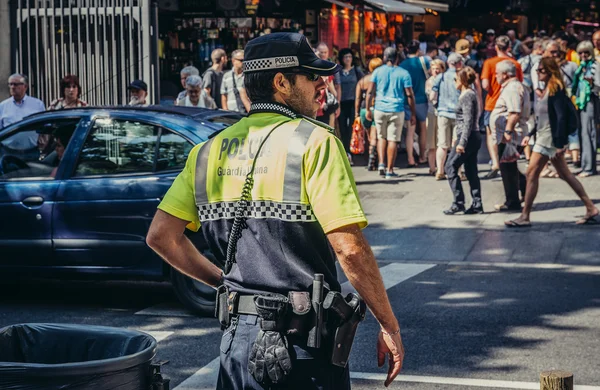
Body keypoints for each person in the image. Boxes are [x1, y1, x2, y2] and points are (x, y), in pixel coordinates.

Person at [146, 32, 405, 390]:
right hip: (302, 349)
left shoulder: (206, 152)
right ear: (281, 82)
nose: (320, 83)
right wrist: (388, 325)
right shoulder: (316, 142)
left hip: (237, 344)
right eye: (311, 75)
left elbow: (161, 236)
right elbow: (348, 247)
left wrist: (222, 282)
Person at [506, 58, 599, 227]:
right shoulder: (546, 89)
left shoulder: (556, 90)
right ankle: (590, 207)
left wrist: (560, 143)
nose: (537, 73)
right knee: (565, 174)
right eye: (537, 70)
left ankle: (525, 216)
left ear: (550, 71)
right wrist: (532, 133)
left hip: (549, 138)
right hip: (544, 134)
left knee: (531, 173)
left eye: (541, 70)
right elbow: (543, 116)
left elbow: (561, 118)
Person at [366, 47, 417, 179]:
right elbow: (409, 95)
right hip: (396, 109)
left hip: (379, 108)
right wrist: (413, 113)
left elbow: (370, 91)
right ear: (397, 58)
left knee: (381, 137)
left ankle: (381, 164)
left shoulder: (377, 72)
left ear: (384, 57)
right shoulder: (403, 73)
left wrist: (367, 108)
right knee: (393, 139)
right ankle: (389, 170)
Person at [481, 35, 524, 179]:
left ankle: (495, 163)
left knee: (491, 134)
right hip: (510, 103)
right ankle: (505, 159)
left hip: (492, 102)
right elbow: (520, 82)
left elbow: (485, 85)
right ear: (509, 47)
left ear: (496, 47)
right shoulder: (514, 64)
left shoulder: (489, 63)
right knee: (507, 133)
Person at [490, 60, 530, 212]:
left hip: (511, 134)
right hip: (509, 133)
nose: (496, 76)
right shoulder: (511, 87)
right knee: (509, 166)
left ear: (505, 74)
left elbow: (514, 112)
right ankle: (522, 188)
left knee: (507, 167)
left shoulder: (513, 88)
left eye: (497, 73)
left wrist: (507, 131)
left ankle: (512, 201)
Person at [443, 67, 483, 215]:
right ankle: (476, 203)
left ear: (463, 81)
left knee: (450, 166)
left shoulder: (467, 96)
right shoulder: (468, 94)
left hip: (468, 136)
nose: (454, 82)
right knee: (471, 170)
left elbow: (468, 121)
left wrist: (462, 142)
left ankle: (459, 201)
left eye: (456, 79)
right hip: (470, 135)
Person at [431, 53, 464, 180]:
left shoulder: (441, 76)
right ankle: (458, 172)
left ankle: (440, 171)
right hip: (458, 114)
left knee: (442, 144)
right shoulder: (461, 76)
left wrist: (437, 105)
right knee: (457, 144)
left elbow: (432, 95)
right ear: (459, 63)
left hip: (443, 112)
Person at [0, 73, 46, 160]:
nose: (13, 87)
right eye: (11, 84)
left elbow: (43, 127)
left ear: (25, 86)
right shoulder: (3, 106)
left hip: (31, 152)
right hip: (8, 152)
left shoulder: (37, 104)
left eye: (16, 84)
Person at [400, 40, 430, 168]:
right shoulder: (424, 61)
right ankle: (423, 156)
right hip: (422, 99)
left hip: (407, 100)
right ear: (418, 49)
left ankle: (410, 158)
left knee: (410, 131)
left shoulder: (402, 64)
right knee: (423, 128)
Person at [572, 41, 600, 177]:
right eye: (581, 53)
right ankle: (585, 165)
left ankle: (589, 167)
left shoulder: (595, 66)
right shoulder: (581, 67)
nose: (583, 55)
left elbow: (598, 86)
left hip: (591, 100)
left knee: (589, 133)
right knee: (583, 133)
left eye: (586, 52)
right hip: (581, 101)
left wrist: (592, 83)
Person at [356, 57, 383, 171]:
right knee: (374, 137)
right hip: (375, 109)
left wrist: (356, 113)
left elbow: (357, 98)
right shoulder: (380, 79)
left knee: (368, 137)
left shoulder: (362, 80)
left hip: (363, 110)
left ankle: (369, 158)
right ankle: (373, 162)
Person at [338, 48, 365, 164]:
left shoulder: (357, 71)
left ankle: (351, 151)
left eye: (349, 57)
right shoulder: (338, 71)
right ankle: (345, 151)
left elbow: (364, 82)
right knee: (342, 127)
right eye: (345, 57)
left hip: (354, 102)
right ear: (341, 59)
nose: (348, 59)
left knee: (351, 127)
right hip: (342, 102)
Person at [425, 59, 446, 176]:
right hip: (432, 113)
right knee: (431, 143)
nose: (436, 71)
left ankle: (440, 168)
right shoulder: (429, 81)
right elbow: (431, 97)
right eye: (433, 69)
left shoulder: (445, 80)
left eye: (438, 68)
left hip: (442, 113)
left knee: (442, 142)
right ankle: (432, 168)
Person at [220, 49, 251, 114]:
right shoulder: (226, 76)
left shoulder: (248, 75)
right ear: (233, 61)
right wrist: (226, 112)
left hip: (246, 113)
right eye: (241, 60)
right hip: (231, 115)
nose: (244, 63)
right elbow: (224, 96)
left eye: (245, 60)